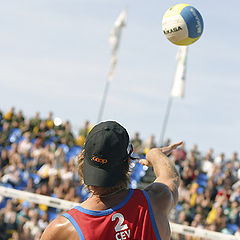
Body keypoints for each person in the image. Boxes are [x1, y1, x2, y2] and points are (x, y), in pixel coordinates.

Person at [40, 121, 181, 240]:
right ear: (128, 162)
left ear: (83, 156)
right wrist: (155, 154)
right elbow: (171, 177)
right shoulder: (156, 201)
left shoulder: (62, 229)